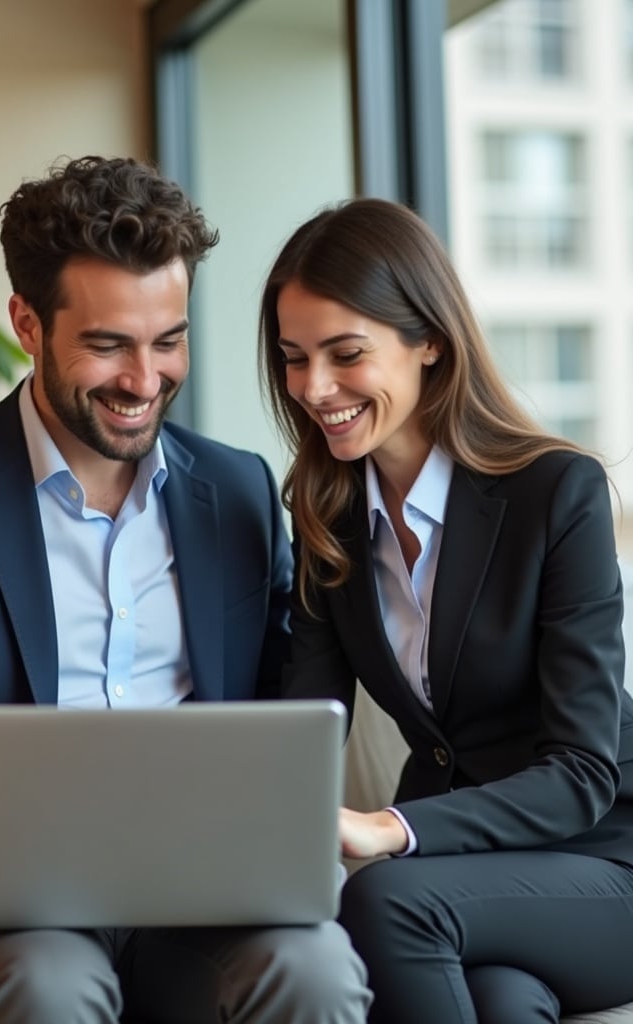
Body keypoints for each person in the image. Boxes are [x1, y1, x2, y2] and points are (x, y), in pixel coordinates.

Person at [0, 156, 372, 1024]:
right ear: (27, 323)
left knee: (315, 966)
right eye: (107, 346)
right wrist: (30, 853)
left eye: (167, 340)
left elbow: (288, 707)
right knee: (51, 987)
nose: (145, 380)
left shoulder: (240, 492)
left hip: (200, 898)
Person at [258, 196, 633, 1023]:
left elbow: (581, 773)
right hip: (480, 873)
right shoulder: (328, 517)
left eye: (345, 353)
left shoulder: (553, 495)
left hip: (606, 857)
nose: (315, 389)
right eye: (293, 358)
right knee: (501, 1000)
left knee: (389, 901)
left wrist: (387, 828)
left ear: (429, 339)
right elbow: (304, 729)